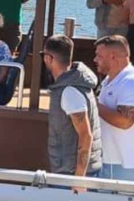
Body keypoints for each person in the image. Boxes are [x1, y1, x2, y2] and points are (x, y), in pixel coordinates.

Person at [93, 34, 134, 183]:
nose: (95, 59)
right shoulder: (109, 82)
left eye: (99, 56)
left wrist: (93, 104)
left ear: (113, 57)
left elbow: (125, 121)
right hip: (110, 164)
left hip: (132, 167)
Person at [43, 35, 102, 179]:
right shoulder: (77, 85)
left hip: (72, 174)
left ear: (48, 59)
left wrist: (79, 178)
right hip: (74, 172)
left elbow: (85, 135)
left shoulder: (69, 92)